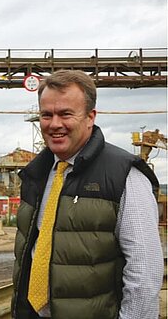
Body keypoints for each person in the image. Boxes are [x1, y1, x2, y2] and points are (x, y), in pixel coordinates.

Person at [12, 70, 164, 319]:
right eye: (46, 115)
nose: (54, 124)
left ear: (90, 117)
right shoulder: (36, 174)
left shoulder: (124, 176)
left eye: (65, 114)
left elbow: (144, 273)